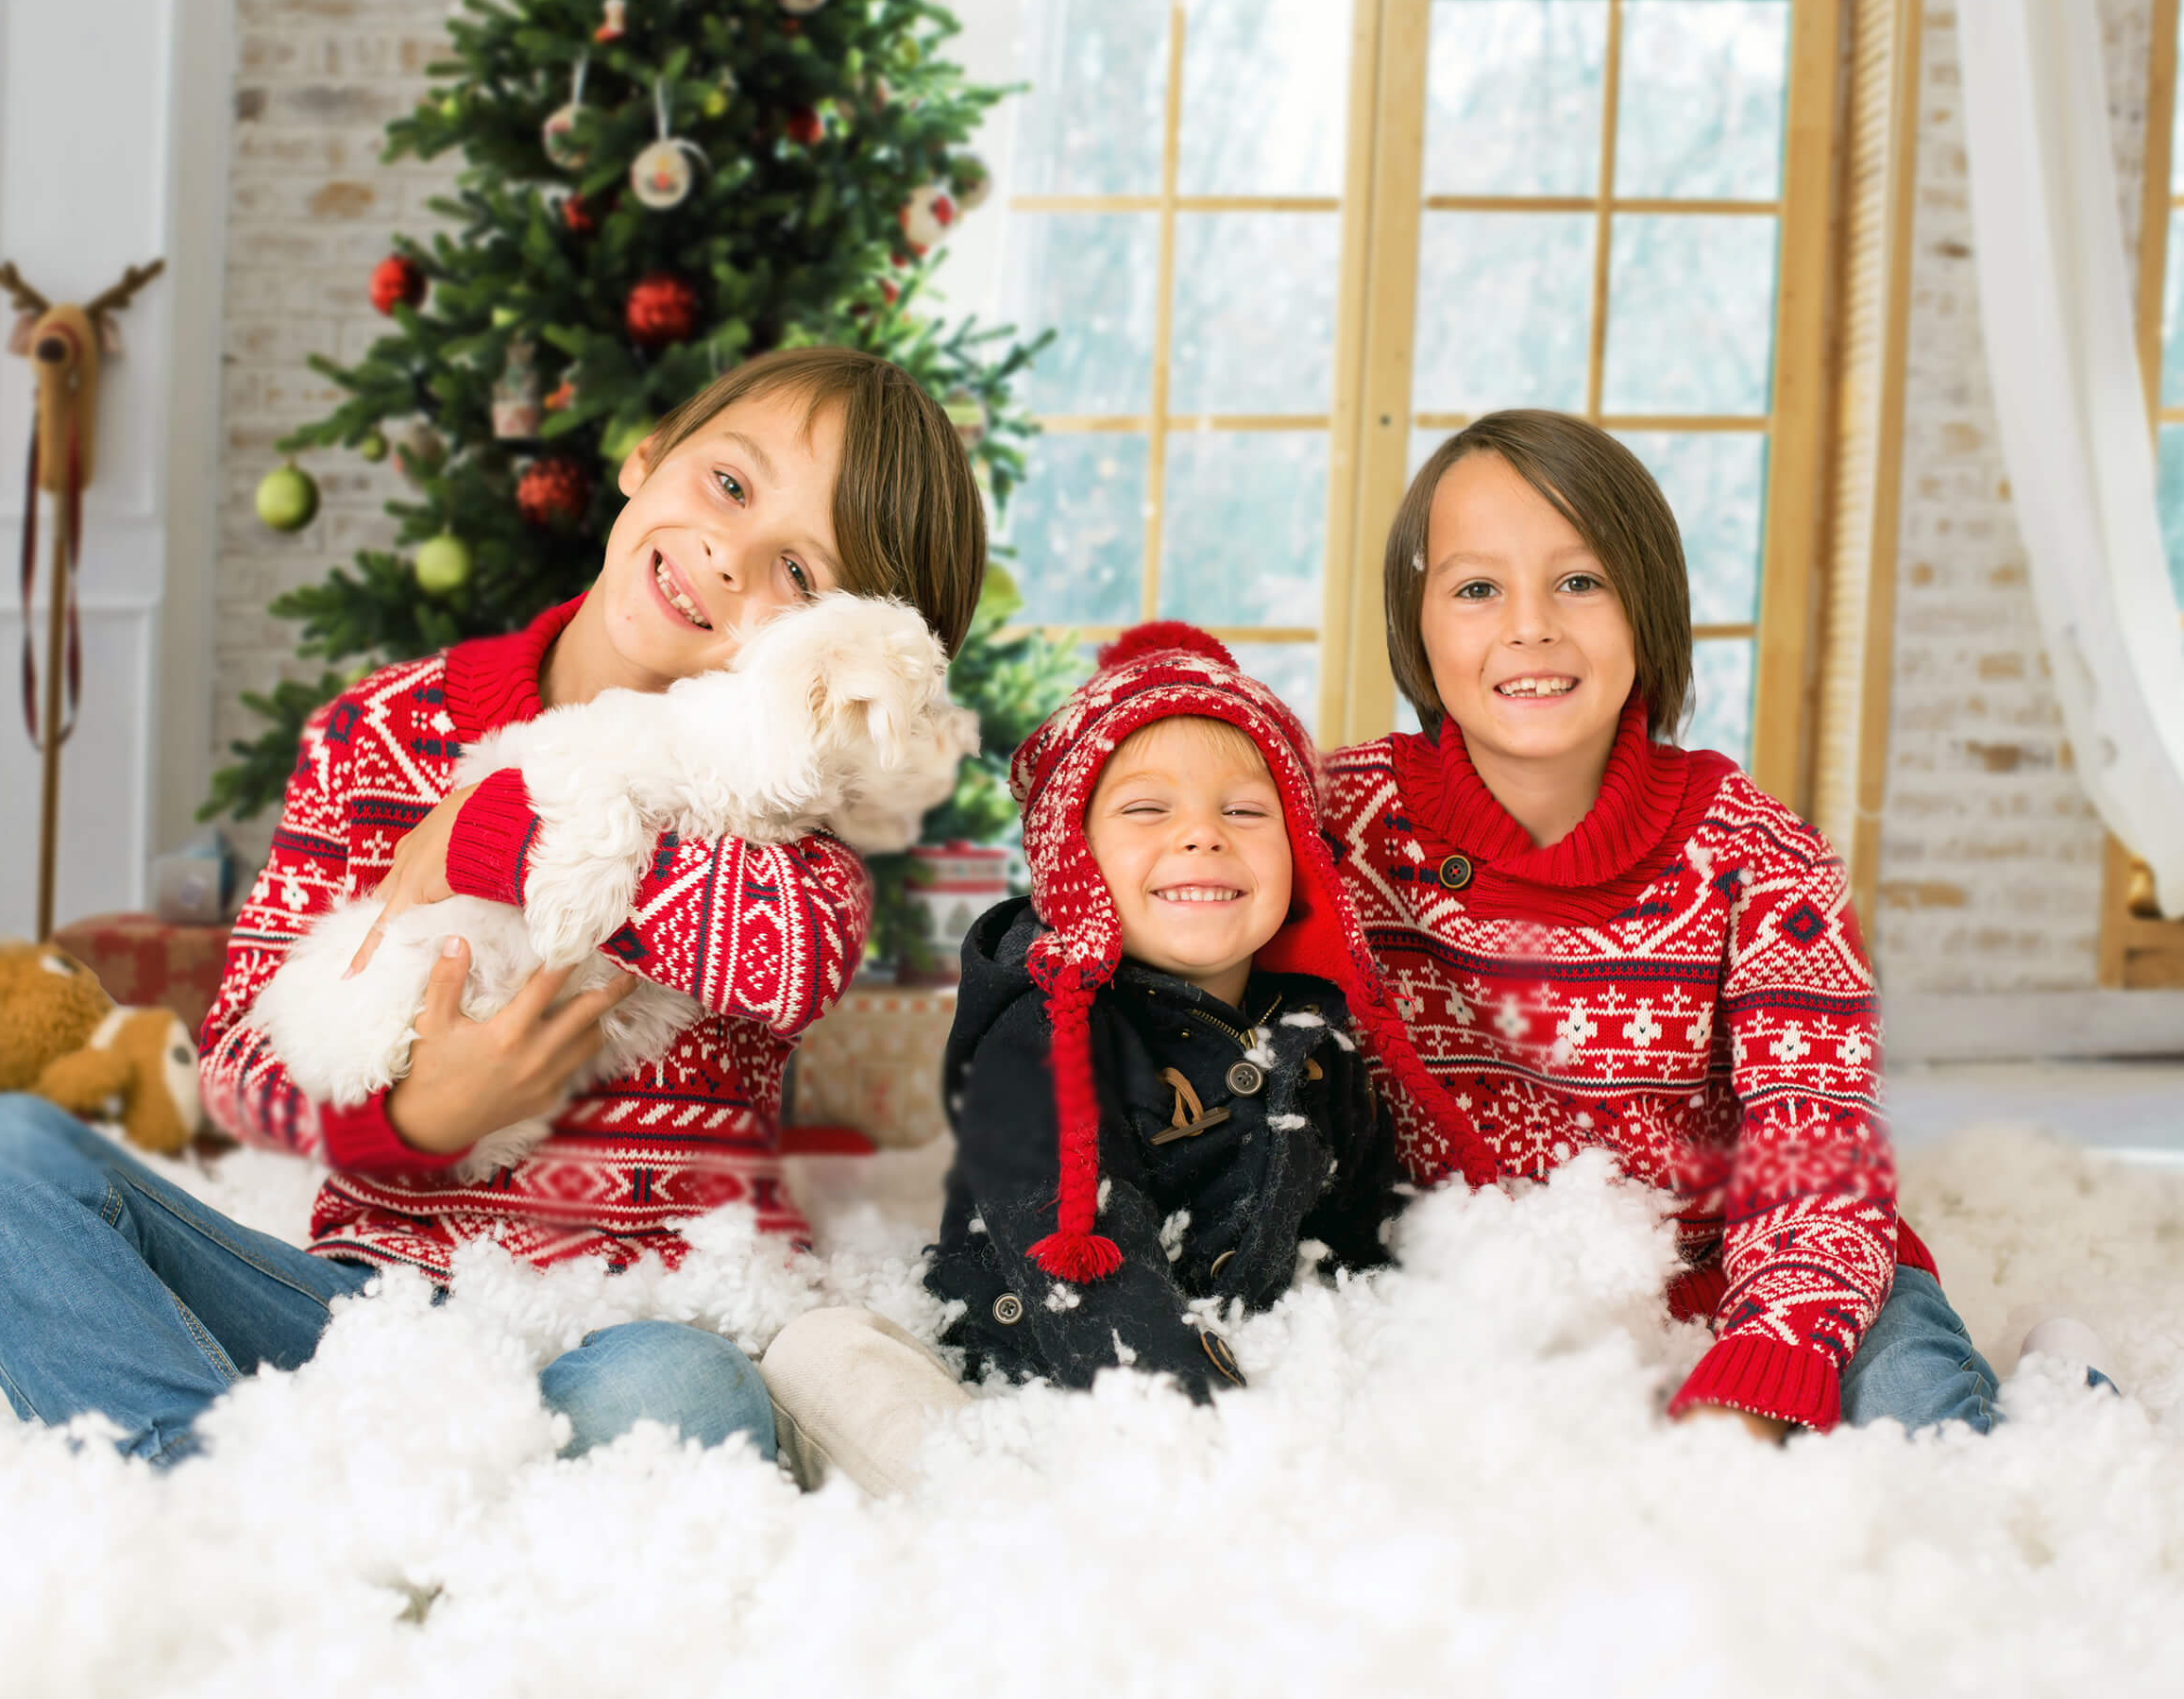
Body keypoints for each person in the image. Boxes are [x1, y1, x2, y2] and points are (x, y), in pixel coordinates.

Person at [0, 348, 987, 1468]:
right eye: (727, 484)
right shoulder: (379, 732)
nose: (728, 554)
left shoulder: (780, 822)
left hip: (611, 1339)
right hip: (356, 1321)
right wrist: (426, 1114)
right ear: (647, 455)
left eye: (799, 576)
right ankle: (217, 1494)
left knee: (693, 1392)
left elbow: (781, 964)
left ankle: (298, 1509)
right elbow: (239, 1063)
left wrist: (508, 832)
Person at [1323, 407, 2108, 1438]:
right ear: (1413, 624)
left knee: (1923, 1444)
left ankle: (2072, 1401)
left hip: (1749, 1267)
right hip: (1486, 1286)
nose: (1530, 626)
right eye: (1476, 589)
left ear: (1647, 609)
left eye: (1580, 581)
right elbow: (1163, 836)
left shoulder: (1758, 859)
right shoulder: (1340, 826)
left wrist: (1763, 1372)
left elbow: (1812, 1154)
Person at [758, 623, 1483, 1492]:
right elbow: (1092, 1269)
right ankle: (995, 1525)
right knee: (829, 1352)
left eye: (1246, 810)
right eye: (1148, 809)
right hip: (1024, 1375)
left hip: (1242, 1375)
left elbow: (1363, 1234)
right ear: (1075, 856)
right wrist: (1201, 1443)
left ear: (1298, 851)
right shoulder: (1045, 1038)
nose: (1202, 836)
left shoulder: (1315, 1032)